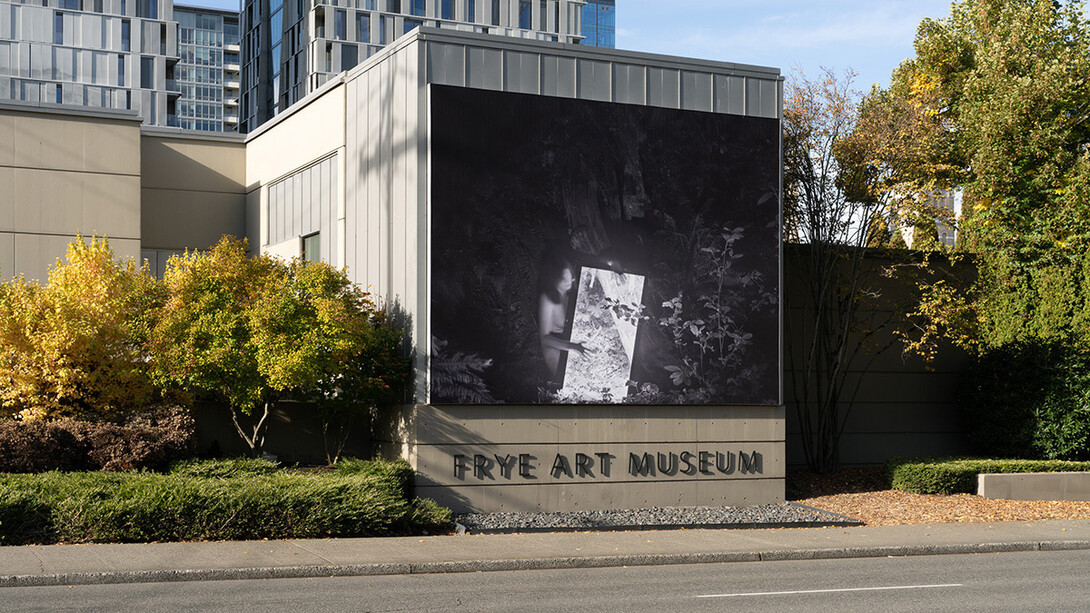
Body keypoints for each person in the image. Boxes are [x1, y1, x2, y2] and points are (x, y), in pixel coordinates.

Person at [538, 254, 587, 381]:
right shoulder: (547, 299)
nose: (569, 282)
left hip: (568, 343)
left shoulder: (568, 296)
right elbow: (545, 339)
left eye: (570, 278)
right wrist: (572, 346)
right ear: (553, 279)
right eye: (564, 280)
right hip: (553, 347)